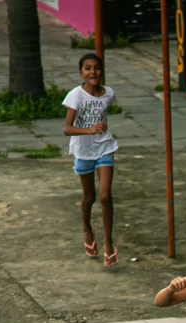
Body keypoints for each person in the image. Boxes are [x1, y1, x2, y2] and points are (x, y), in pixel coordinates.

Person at [63, 52, 119, 266]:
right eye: (87, 68)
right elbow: (67, 129)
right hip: (83, 151)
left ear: (101, 71)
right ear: (81, 73)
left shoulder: (109, 94)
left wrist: (99, 131)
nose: (92, 72)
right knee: (89, 197)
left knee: (105, 196)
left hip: (105, 147)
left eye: (96, 67)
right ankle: (87, 228)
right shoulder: (75, 95)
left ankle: (108, 241)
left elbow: (104, 115)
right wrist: (90, 130)